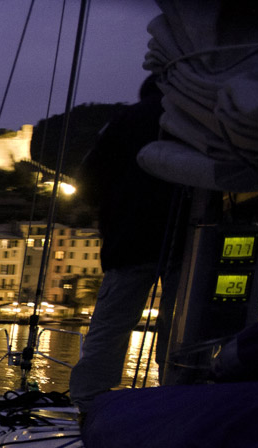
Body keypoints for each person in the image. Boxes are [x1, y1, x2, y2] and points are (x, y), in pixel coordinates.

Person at [69, 75, 181, 413]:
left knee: (111, 327)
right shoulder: (206, 119)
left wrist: (110, 206)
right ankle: (180, 400)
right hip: (188, 241)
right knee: (178, 326)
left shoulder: (125, 121)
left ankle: (89, 405)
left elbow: (88, 180)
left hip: (129, 239)